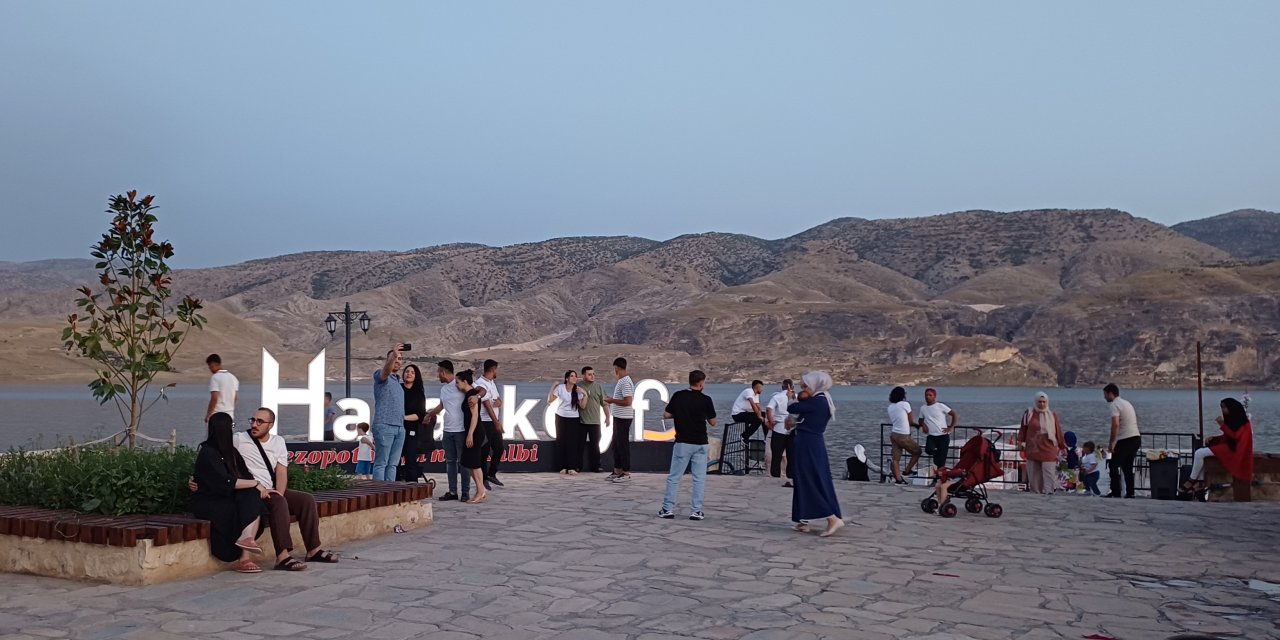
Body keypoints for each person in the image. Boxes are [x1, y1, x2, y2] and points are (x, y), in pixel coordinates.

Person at [233, 407, 337, 571]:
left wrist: (279, 493)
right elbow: (214, 452)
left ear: (270, 425)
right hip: (252, 492)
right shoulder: (239, 439)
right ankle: (282, 557)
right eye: (253, 420)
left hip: (271, 490)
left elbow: (281, 472)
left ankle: (313, 550)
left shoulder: (278, 442)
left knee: (306, 500)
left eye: (260, 421)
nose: (254, 424)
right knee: (278, 503)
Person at [188, 412, 268, 573]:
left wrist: (254, 485)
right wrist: (256, 483)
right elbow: (224, 482)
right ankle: (243, 548)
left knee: (252, 498)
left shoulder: (231, 452)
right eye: (230, 427)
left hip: (227, 496)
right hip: (209, 500)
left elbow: (245, 475)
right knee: (240, 508)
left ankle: (246, 544)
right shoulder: (208, 452)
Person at [789, 372, 844, 537]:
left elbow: (792, 408)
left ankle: (831, 517)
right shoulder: (822, 400)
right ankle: (803, 519)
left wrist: (793, 398)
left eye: (805, 386)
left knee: (809, 478)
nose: (803, 389)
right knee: (805, 478)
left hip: (809, 443)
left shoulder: (818, 402)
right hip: (811, 442)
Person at [658, 370, 718, 521]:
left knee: (674, 477)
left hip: (683, 442)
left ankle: (667, 509)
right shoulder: (706, 400)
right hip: (700, 443)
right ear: (701, 383)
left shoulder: (679, 396)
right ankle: (696, 511)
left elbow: (666, 415)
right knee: (699, 478)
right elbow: (713, 422)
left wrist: (679, 414)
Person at [1185, 398, 1255, 493]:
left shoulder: (1244, 423)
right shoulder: (1233, 420)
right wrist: (1213, 439)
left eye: (1225, 407)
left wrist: (1222, 425)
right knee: (1202, 454)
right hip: (1229, 447)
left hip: (1235, 450)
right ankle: (1200, 481)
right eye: (1222, 407)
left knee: (1199, 453)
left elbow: (1235, 436)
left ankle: (1192, 480)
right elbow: (1227, 437)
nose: (1223, 410)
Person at [427, 360, 468, 501]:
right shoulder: (444, 389)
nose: (438, 375)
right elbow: (442, 406)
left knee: (463, 462)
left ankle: (465, 492)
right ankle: (452, 491)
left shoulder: (459, 383)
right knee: (450, 461)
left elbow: (474, 391)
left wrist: (477, 397)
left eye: (439, 372)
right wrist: (430, 414)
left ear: (444, 372)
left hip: (461, 430)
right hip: (448, 430)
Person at [1018, 392, 1067, 494]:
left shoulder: (1052, 415)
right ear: (1035, 402)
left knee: (1048, 472)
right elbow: (1023, 429)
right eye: (1039, 402)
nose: (1042, 404)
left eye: (1044, 402)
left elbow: (1058, 431)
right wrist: (1020, 442)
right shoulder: (1029, 413)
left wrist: (1062, 445)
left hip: (1048, 448)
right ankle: (1035, 492)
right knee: (1034, 473)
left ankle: (1049, 492)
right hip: (1033, 447)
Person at [371, 345, 407, 482]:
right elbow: (385, 371)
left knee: (393, 465)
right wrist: (393, 355)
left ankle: (390, 493)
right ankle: (378, 495)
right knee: (381, 463)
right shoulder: (380, 375)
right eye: (395, 358)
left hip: (399, 427)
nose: (398, 361)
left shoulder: (398, 382)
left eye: (400, 358)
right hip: (384, 425)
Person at [1103, 383, 1141, 499]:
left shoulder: (1115, 405)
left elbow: (1116, 424)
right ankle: (1130, 493)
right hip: (1136, 437)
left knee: (1113, 465)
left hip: (1126, 439)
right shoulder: (1126, 403)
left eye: (1105, 395)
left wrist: (1112, 443)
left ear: (1110, 394)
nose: (1104, 397)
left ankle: (1115, 492)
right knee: (1127, 467)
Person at [455, 370, 488, 504]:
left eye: (458, 382)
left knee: (474, 463)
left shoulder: (471, 396)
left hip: (474, 431)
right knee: (471, 462)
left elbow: (475, 416)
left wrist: (470, 434)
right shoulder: (470, 394)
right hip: (472, 431)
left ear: (465, 382)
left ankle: (481, 491)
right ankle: (481, 490)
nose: (456, 385)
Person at [604, 357, 635, 483]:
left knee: (622, 445)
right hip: (618, 417)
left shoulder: (626, 382)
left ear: (616, 368)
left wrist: (612, 400)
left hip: (624, 418)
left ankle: (626, 472)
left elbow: (628, 401)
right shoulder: (621, 381)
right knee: (616, 444)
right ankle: (617, 470)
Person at [475, 359, 505, 489]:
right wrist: (497, 422)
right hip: (485, 422)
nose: (496, 372)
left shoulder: (492, 383)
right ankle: (482, 478)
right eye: (496, 370)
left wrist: (499, 402)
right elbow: (487, 405)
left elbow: (498, 400)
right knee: (484, 451)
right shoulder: (480, 384)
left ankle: (492, 473)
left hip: (493, 422)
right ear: (493, 369)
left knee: (499, 448)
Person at [549, 370, 585, 475]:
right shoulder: (560, 388)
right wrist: (553, 387)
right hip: (561, 417)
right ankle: (562, 466)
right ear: (567, 378)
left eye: (575, 376)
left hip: (574, 418)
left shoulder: (577, 390)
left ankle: (572, 467)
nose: (574, 378)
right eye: (572, 376)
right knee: (561, 441)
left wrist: (585, 394)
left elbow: (583, 406)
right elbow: (550, 400)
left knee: (573, 443)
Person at [764, 379, 797, 486]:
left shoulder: (777, 397)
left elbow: (769, 409)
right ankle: (791, 475)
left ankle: (775, 475)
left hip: (778, 428)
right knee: (792, 454)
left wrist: (771, 422)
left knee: (776, 455)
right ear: (791, 386)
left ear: (782, 387)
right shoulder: (796, 396)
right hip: (792, 428)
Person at [398, 364, 427, 483]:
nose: (409, 374)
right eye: (407, 371)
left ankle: (412, 489)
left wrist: (402, 418)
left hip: (411, 432)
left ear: (416, 376)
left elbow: (420, 415)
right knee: (395, 461)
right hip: (396, 430)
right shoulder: (398, 389)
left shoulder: (418, 393)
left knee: (410, 460)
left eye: (412, 372)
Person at [917, 388, 957, 471]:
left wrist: (951, 427)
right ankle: (936, 456)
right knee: (928, 450)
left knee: (941, 461)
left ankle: (939, 478)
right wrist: (923, 425)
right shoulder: (923, 408)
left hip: (943, 436)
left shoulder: (940, 406)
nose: (927, 397)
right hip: (931, 435)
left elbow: (954, 414)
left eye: (930, 395)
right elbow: (920, 420)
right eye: (926, 395)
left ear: (934, 396)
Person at [578, 366, 609, 473]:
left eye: (593, 374)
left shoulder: (598, 387)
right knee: (579, 445)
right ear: (583, 375)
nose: (592, 376)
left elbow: (604, 404)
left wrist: (608, 417)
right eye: (589, 374)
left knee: (595, 445)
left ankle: (596, 466)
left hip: (595, 422)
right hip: (581, 421)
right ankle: (578, 466)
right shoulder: (578, 387)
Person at [887, 386, 920, 484]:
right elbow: (910, 421)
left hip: (894, 434)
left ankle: (898, 479)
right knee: (917, 451)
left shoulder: (890, 407)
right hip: (903, 435)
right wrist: (917, 425)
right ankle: (907, 470)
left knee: (896, 459)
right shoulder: (905, 404)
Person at [204, 354, 240, 423]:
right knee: (229, 432)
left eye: (209, 366)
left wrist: (208, 415)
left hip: (217, 415)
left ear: (213, 364)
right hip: (230, 416)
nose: (209, 368)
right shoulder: (233, 377)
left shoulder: (215, 377)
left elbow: (214, 398)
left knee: (213, 433)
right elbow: (235, 398)